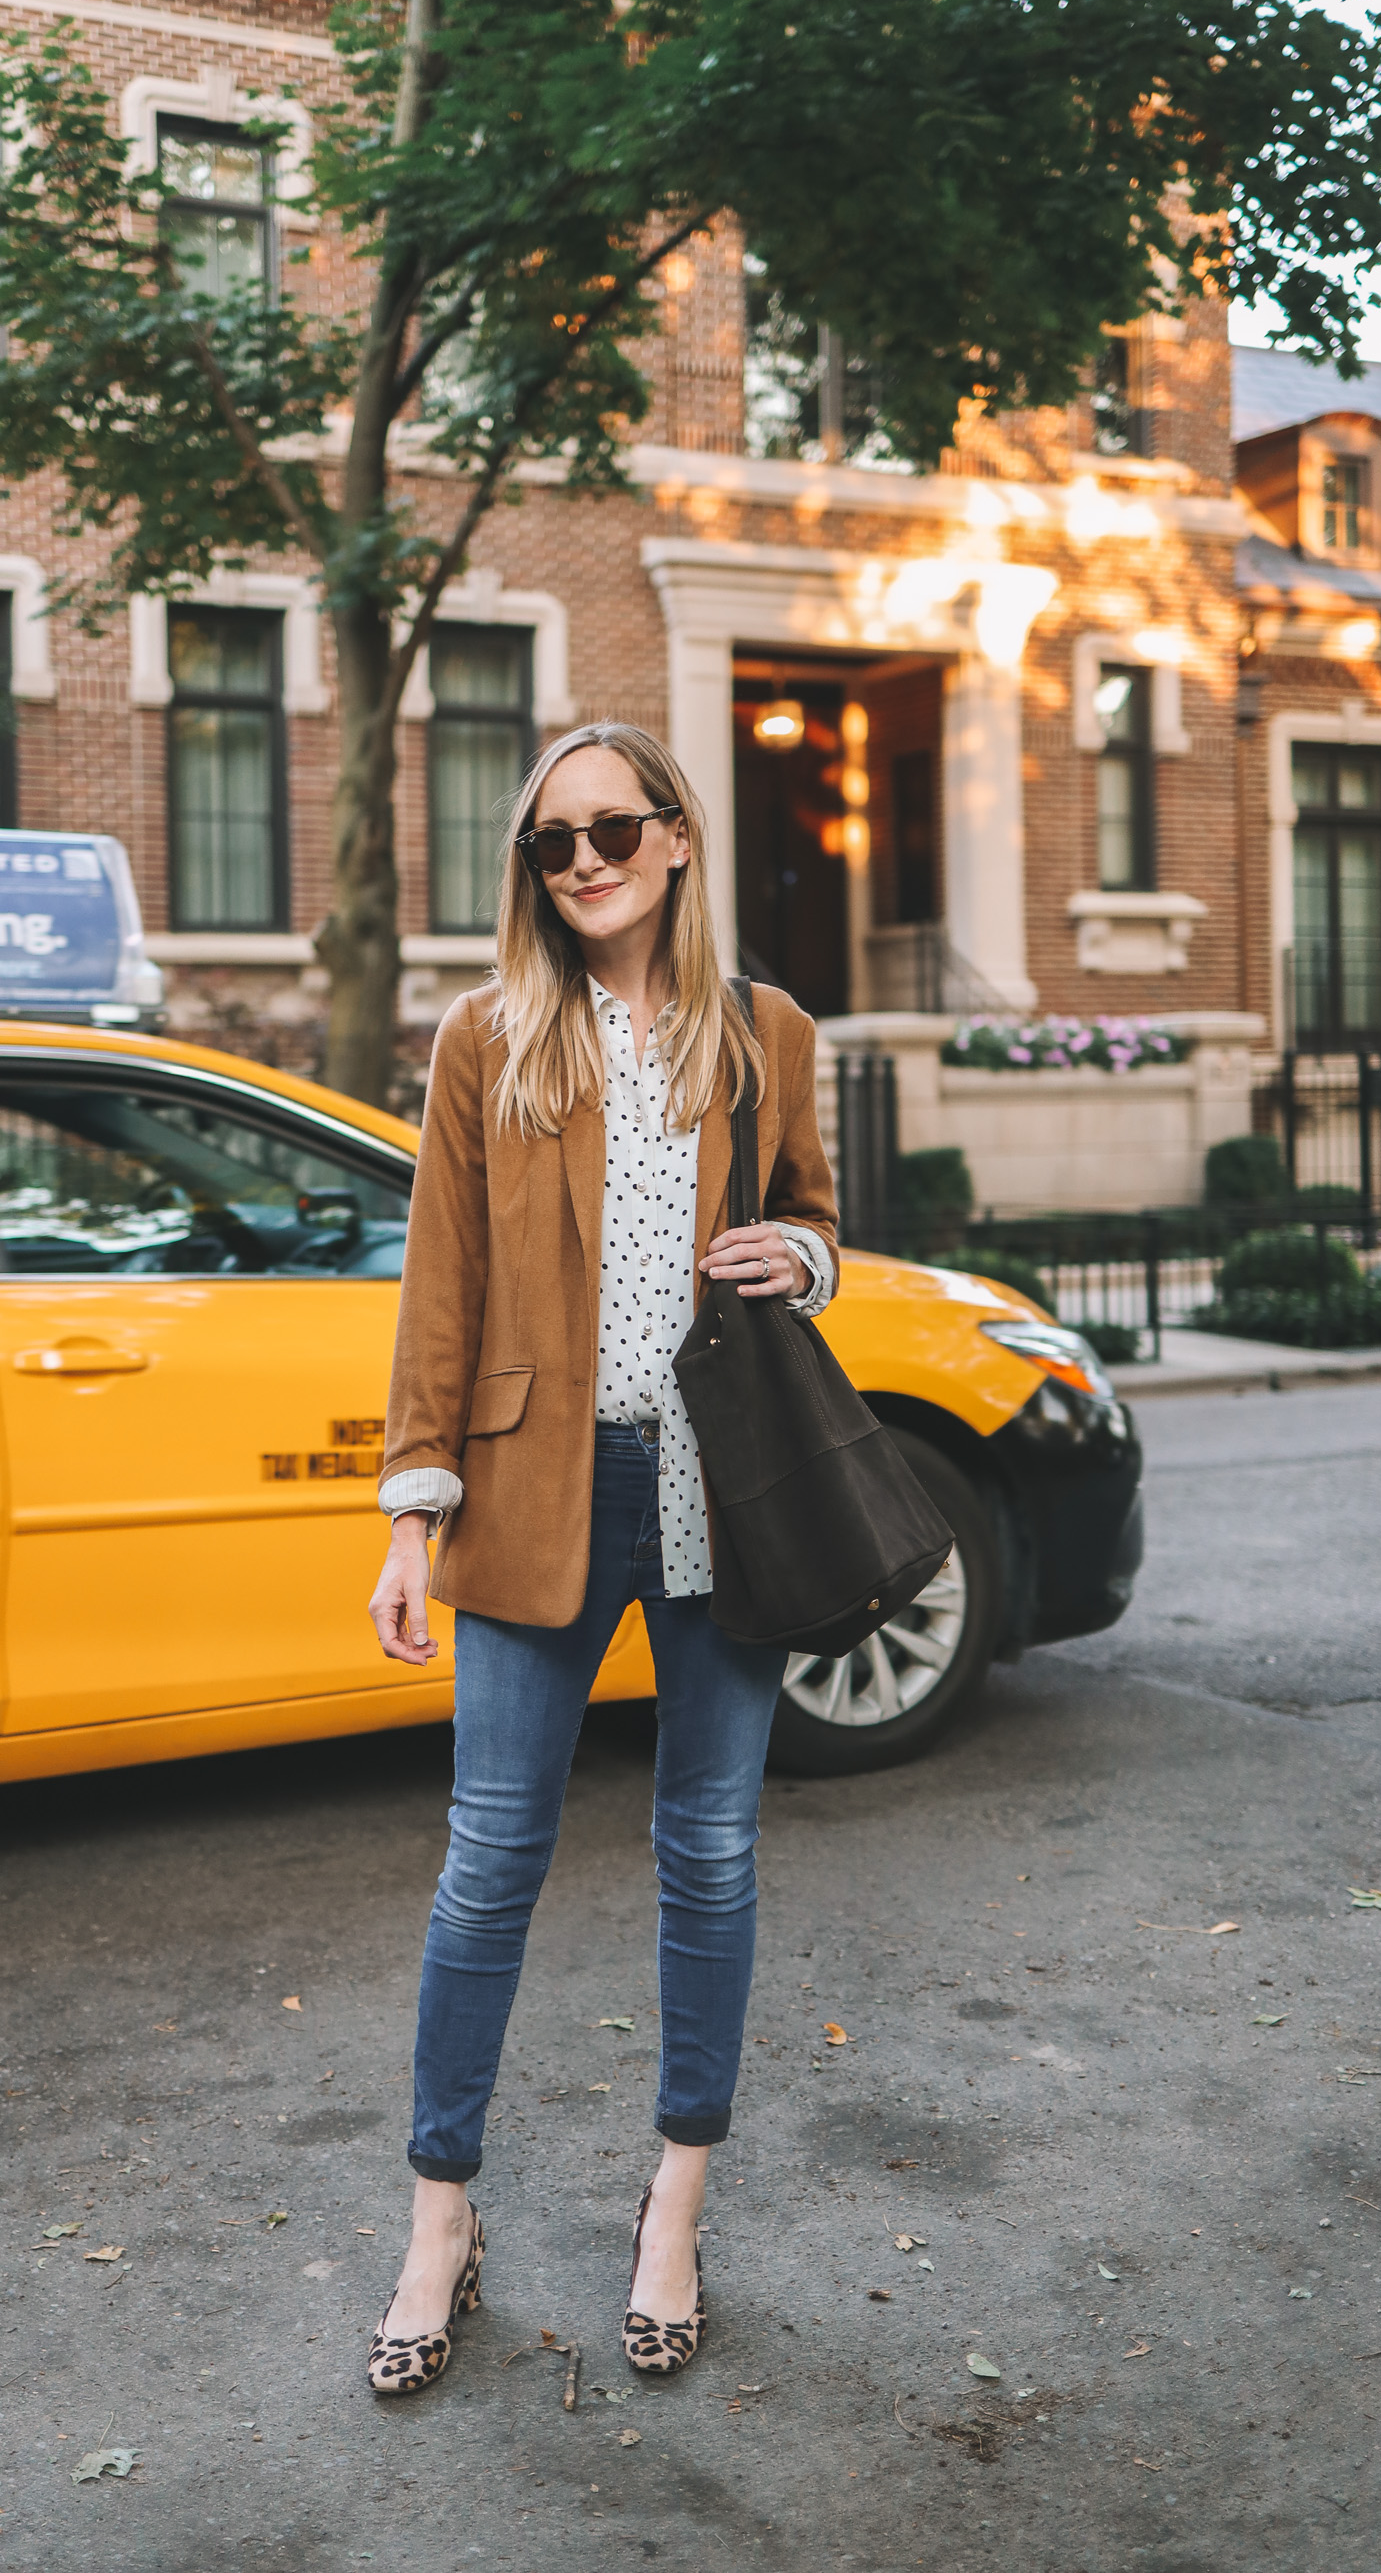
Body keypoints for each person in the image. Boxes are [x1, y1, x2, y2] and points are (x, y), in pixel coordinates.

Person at [364, 720, 838, 2395]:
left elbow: (817, 1221)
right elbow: (442, 1288)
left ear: (678, 838)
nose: (580, 862)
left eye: (611, 830)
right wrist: (413, 1515)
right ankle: (440, 2224)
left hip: (724, 1491)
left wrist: (802, 1254)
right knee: (489, 1862)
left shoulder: (769, 1032)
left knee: (708, 1853)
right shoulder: (489, 1036)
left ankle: (674, 2212)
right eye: (550, 842)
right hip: (524, 1488)